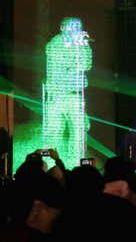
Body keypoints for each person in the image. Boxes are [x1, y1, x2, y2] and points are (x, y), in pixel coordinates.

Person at [43, 18, 93, 169]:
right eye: (72, 27)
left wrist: (82, 46)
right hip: (57, 96)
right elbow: (63, 63)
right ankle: (51, 165)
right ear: (62, 28)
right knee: (55, 131)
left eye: (78, 27)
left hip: (74, 95)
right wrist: (75, 52)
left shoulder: (81, 45)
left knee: (79, 130)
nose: (75, 30)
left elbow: (86, 65)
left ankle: (75, 164)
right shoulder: (54, 44)